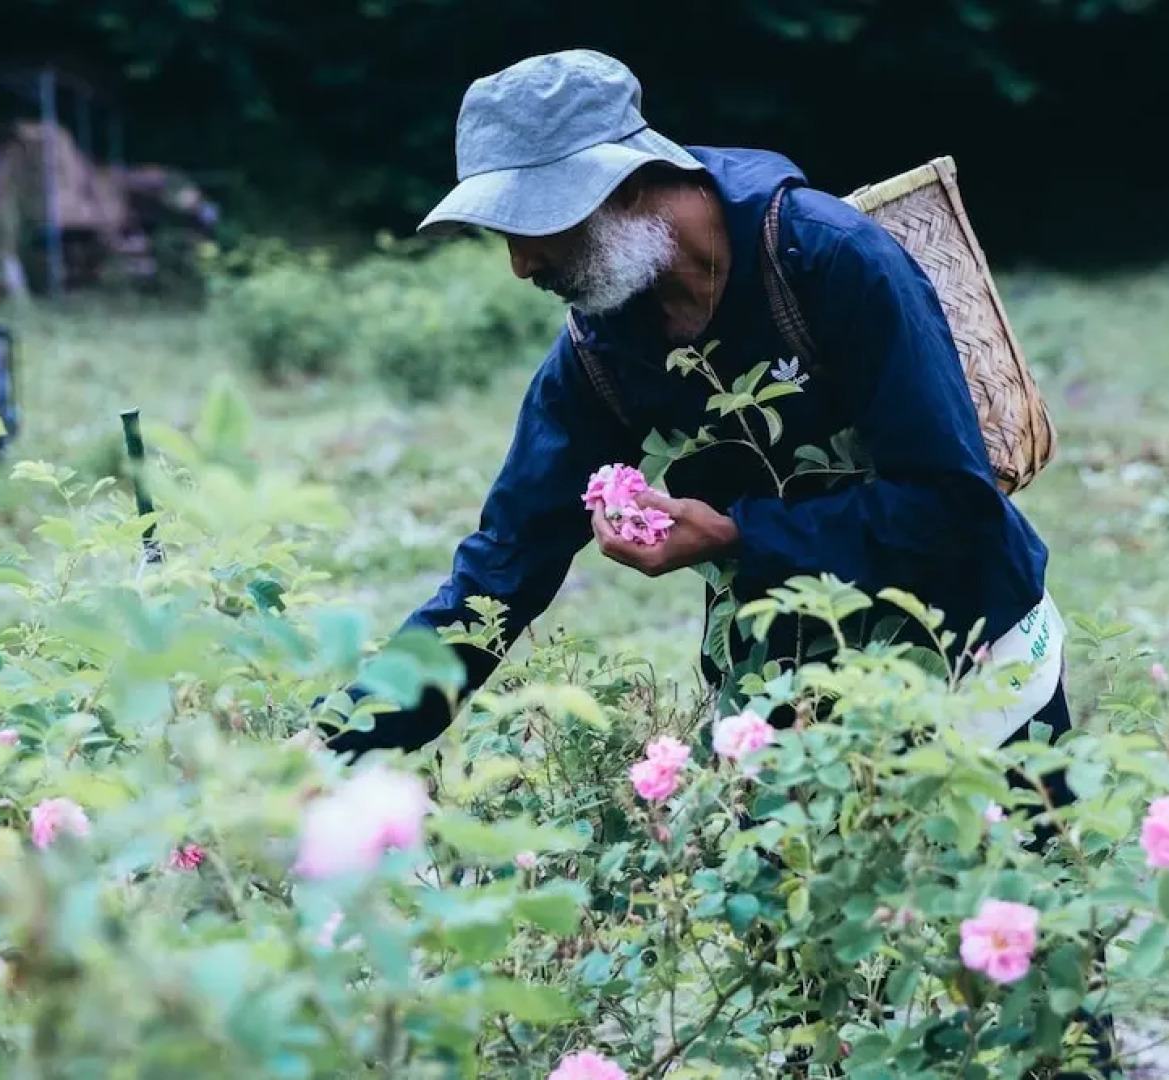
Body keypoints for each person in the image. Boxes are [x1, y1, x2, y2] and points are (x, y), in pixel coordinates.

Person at [310, 48, 1117, 1076]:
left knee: (1031, 946)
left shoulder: (827, 259)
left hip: (967, 646)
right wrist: (334, 742)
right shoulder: (600, 353)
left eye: (531, 226)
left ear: (626, 184)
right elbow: (499, 570)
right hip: (784, 689)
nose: (518, 266)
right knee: (812, 981)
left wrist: (738, 538)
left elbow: (951, 505)